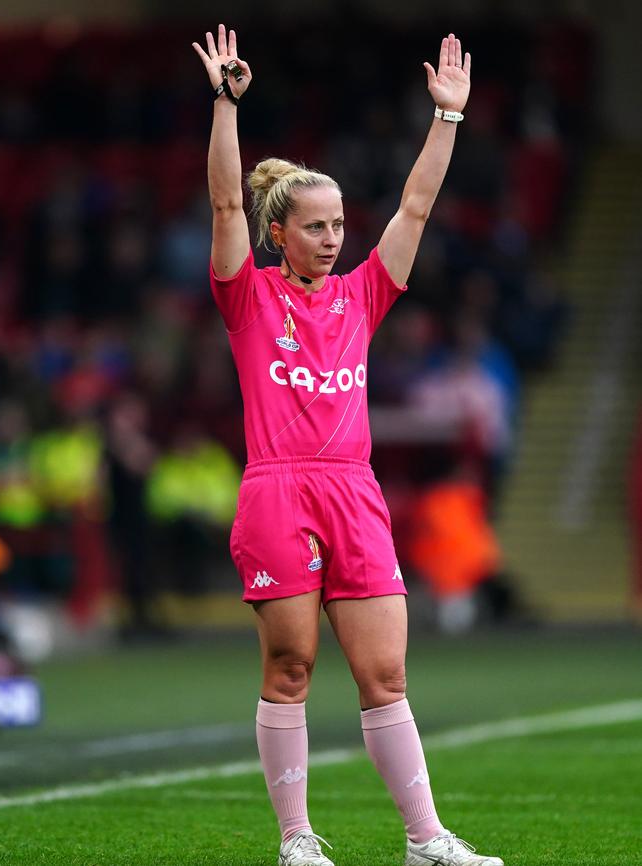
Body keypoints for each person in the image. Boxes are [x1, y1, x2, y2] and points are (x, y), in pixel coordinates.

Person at [193, 24, 504, 866]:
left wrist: (447, 119)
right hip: (278, 490)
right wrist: (226, 104)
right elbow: (224, 201)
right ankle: (297, 841)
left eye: (338, 225)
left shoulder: (363, 295)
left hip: (353, 491)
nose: (334, 238)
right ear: (278, 235)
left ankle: (426, 840)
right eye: (317, 227)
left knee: (386, 678)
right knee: (290, 666)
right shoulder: (248, 299)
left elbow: (415, 209)